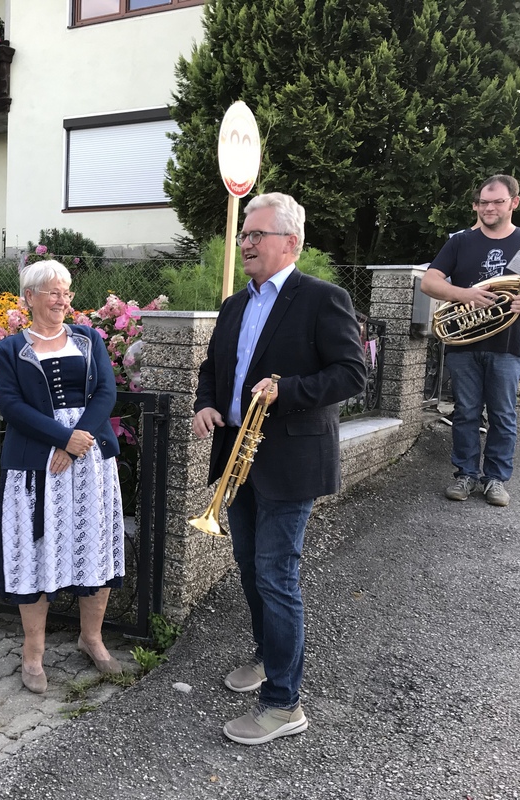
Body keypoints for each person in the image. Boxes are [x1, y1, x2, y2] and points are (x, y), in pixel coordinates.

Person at [192, 192, 365, 745]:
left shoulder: (323, 298)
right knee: (248, 563)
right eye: (243, 234)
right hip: (237, 456)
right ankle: (268, 656)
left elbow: (351, 374)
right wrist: (205, 402)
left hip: (291, 459)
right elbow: (211, 367)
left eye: (256, 235)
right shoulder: (234, 304)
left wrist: (287, 390)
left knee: (276, 573)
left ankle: (284, 704)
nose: (245, 243)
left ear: (290, 243)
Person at [0, 260, 125, 694]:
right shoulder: (9, 349)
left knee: (94, 545)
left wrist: (79, 440)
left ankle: (92, 639)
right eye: (52, 292)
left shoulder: (89, 339)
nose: (62, 299)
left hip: (91, 461)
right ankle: (33, 654)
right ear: (29, 297)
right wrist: (63, 439)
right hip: (37, 462)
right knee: (35, 553)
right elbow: (11, 406)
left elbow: (106, 390)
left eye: (66, 291)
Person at [420, 175, 520, 507]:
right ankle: (465, 474)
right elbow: (430, 281)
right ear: (476, 205)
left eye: (496, 201)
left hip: (508, 343)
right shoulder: (461, 242)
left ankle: (495, 479)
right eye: (483, 202)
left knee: (503, 414)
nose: (489, 208)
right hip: (464, 342)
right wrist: (463, 293)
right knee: (465, 412)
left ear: (514, 202)